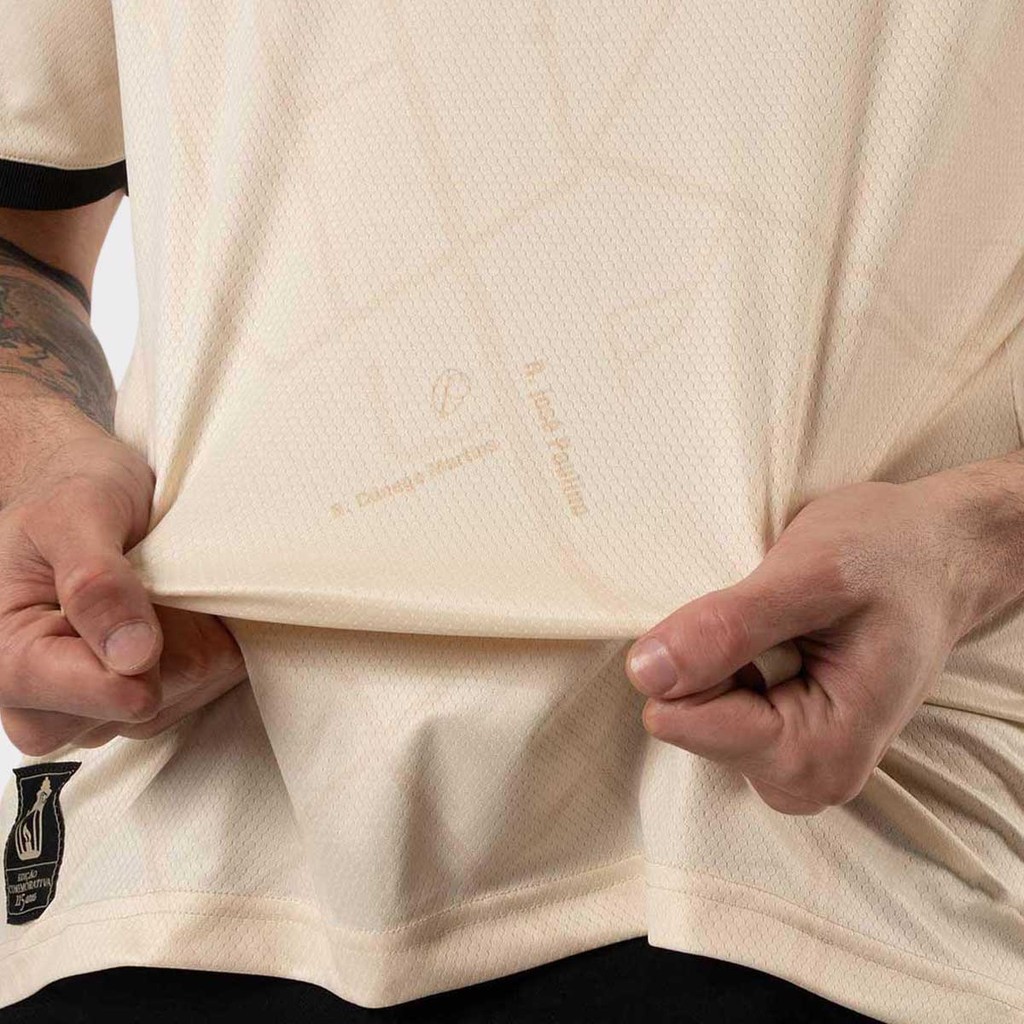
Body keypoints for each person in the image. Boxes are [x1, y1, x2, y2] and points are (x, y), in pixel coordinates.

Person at [0, 2, 1022, 1021]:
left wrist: (974, 542)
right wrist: (45, 461)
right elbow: (23, 219)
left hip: (811, 859)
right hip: (177, 848)